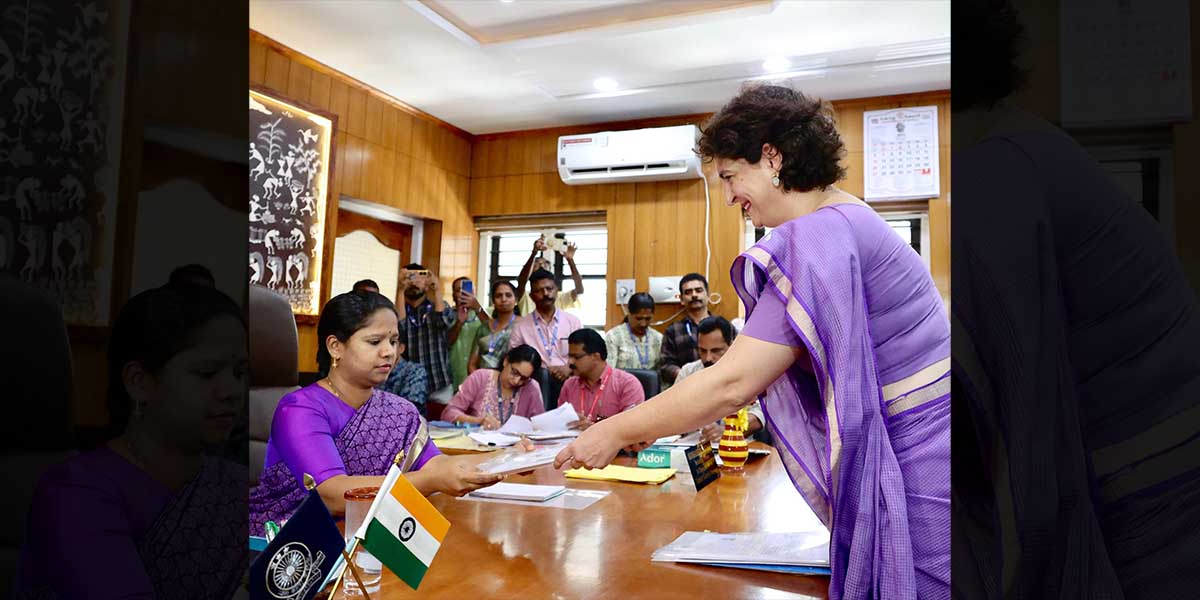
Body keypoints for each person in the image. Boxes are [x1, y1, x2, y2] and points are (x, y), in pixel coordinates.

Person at [555, 84, 950, 600]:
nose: (727, 198)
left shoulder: (819, 237)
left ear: (771, 157)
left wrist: (615, 432)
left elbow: (733, 382)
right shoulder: (844, 216)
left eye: (728, 177)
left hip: (919, 462)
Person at [16, 285, 247, 598]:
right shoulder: (75, 493)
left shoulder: (233, 486)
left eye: (239, 373)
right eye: (207, 374)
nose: (231, 390)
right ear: (139, 383)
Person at [250, 291, 514, 532]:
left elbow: (436, 464)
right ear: (335, 347)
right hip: (292, 549)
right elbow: (331, 495)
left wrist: (508, 458)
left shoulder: (399, 411)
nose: (389, 352)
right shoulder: (300, 409)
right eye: (375, 341)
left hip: (376, 537)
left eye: (394, 340)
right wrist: (431, 480)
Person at [675, 316, 765, 443]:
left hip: (736, 448)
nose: (708, 358)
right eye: (702, 351)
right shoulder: (687, 373)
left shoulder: (748, 374)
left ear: (731, 345)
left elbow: (760, 414)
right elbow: (673, 412)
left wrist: (727, 430)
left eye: (716, 350)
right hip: (693, 448)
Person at [397, 263, 457, 415]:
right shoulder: (398, 308)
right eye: (410, 277)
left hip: (438, 382)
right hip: (408, 383)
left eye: (419, 277)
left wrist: (436, 289)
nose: (414, 282)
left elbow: (443, 321)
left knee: (442, 427)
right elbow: (398, 328)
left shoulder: (437, 306)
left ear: (426, 283)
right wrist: (400, 289)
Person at [558, 328, 644, 430]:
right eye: (569, 356)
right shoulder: (569, 385)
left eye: (576, 357)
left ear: (596, 356)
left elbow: (631, 426)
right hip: (574, 443)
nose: (570, 362)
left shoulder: (627, 384)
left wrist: (593, 429)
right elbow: (560, 424)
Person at [442, 344, 544, 429]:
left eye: (524, 378)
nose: (517, 381)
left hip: (515, 448)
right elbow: (449, 413)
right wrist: (478, 421)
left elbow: (539, 427)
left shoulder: (532, 388)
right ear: (506, 361)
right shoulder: (481, 378)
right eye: (515, 372)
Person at [510, 269, 583, 383]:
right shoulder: (521, 326)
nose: (545, 294)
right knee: (542, 375)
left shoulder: (573, 322)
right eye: (539, 290)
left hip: (569, 377)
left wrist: (568, 368)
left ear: (556, 291)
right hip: (534, 380)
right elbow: (514, 359)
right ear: (531, 296)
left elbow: (583, 353)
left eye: (549, 289)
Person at [658, 273, 710, 385]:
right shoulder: (673, 330)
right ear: (681, 299)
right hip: (685, 388)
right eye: (688, 292)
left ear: (708, 295)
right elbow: (665, 366)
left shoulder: (724, 327)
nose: (694, 295)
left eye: (699, 290)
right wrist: (685, 375)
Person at [515, 235, 583, 315]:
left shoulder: (558, 296)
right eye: (536, 264)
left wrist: (570, 260)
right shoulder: (525, 296)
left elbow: (579, 290)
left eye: (545, 264)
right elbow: (522, 281)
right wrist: (534, 253)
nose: (541, 265)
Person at [447, 276, 490, 392]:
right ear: (453, 295)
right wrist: (459, 322)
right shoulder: (447, 314)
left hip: (479, 376)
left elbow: (493, 332)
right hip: (454, 377)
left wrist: (477, 308)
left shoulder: (485, 313)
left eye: (467, 289)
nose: (462, 293)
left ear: (474, 292)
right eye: (458, 290)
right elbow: (447, 342)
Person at [377, 321, 429, 412]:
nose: (385, 350)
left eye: (392, 343)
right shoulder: (372, 370)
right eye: (376, 343)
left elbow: (408, 412)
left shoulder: (415, 372)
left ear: (401, 348)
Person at [604, 292, 663, 371]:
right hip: (622, 382)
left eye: (648, 319)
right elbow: (608, 372)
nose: (643, 324)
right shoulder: (613, 337)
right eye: (639, 318)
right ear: (628, 313)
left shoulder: (658, 338)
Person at [469, 280, 519, 373]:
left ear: (516, 300)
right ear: (493, 301)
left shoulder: (523, 325)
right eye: (498, 296)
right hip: (482, 381)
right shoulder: (484, 328)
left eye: (508, 295)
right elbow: (472, 364)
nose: (503, 299)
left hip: (511, 381)